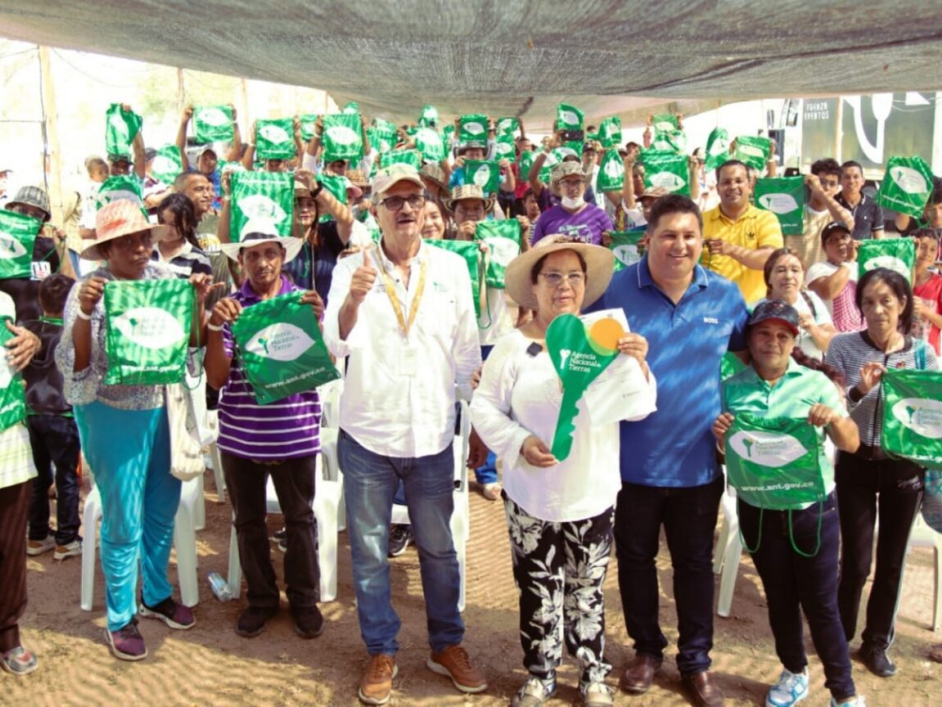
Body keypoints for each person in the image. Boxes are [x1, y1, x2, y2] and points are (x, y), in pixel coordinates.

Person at [323, 164, 485, 705]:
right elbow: (333, 346)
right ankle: (381, 649)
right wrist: (352, 301)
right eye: (393, 201)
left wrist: (478, 414)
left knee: (439, 550)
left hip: (433, 432)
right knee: (369, 552)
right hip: (369, 432)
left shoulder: (454, 268)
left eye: (414, 198)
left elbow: (466, 350)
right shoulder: (353, 268)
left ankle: (446, 644)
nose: (406, 208)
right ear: (375, 211)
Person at [471, 237, 655, 707]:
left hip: (591, 490)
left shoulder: (606, 339)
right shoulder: (512, 348)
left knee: (588, 588)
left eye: (574, 276)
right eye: (552, 276)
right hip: (531, 493)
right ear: (534, 286)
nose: (564, 285)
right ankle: (540, 672)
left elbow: (639, 409)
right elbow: (485, 408)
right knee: (537, 586)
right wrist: (519, 442)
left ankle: (593, 671)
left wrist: (638, 365)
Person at [593, 194, 749, 707]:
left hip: (699, 464)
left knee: (694, 564)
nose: (679, 245)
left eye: (689, 236)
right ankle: (646, 649)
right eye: (668, 235)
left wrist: (741, 425)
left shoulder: (725, 297)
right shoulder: (613, 291)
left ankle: (696, 660)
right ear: (648, 239)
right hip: (631, 463)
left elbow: (748, 365)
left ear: (701, 240)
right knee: (635, 560)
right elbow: (575, 351)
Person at [56, 200, 214, 661]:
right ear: (106, 248)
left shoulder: (166, 281)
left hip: (162, 406)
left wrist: (198, 304)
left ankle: (156, 591)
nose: (139, 248)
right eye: (126, 241)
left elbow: (190, 345)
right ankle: (121, 614)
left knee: (163, 505)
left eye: (144, 238)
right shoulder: (88, 289)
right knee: (123, 516)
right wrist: (86, 314)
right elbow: (77, 364)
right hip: (111, 411)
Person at [713, 300, 864, 707]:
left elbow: (851, 443)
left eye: (782, 335)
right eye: (763, 333)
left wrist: (832, 419)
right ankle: (793, 671)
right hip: (759, 512)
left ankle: (843, 692)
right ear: (751, 338)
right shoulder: (731, 389)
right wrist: (721, 436)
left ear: (794, 340)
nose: (772, 342)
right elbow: (729, 455)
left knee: (821, 605)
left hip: (811, 513)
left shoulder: (815, 384)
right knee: (778, 599)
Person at [204, 220, 325, 640]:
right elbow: (217, 380)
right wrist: (214, 328)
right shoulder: (232, 308)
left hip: (295, 432)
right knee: (248, 521)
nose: (262, 262)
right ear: (240, 262)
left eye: (269, 253)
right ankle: (261, 598)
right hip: (241, 435)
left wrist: (318, 325)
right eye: (252, 255)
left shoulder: (302, 303)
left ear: (283, 256)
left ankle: (304, 599)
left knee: (300, 519)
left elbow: (318, 366)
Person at [824, 268, 939, 678]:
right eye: (868, 302)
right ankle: (839, 636)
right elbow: (828, 411)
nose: (876, 311)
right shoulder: (841, 347)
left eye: (886, 301)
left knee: (892, 561)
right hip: (855, 463)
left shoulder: (923, 355)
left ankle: (876, 643)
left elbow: (933, 413)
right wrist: (859, 391)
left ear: (903, 304)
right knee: (854, 560)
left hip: (902, 470)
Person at [23, 273, 82, 561]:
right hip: (62, 413)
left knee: (38, 476)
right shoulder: (72, 335)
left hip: (30, 413)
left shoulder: (26, 330)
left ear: (40, 300)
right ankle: (67, 538)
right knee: (67, 477)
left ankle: (36, 536)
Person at [0, 290, 42, 676]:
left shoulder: (5, 303)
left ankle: (8, 633)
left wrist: (32, 340)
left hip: (8, 447)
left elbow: (37, 330)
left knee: (10, 546)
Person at [703, 159, 784, 303]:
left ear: (750, 186)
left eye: (739, 181)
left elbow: (770, 259)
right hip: (711, 310)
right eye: (726, 182)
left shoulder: (766, 219)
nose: (733, 187)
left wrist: (730, 249)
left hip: (754, 311)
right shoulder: (701, 221)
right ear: (717, 188)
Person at [1, 186, 72, 322]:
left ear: (44, 221)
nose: (28, 218)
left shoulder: (49, 247)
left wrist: (62, 249)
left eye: (36, 215)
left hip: (39, 333)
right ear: (11, 211)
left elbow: (71, 290)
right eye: (22, 211)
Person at [756, 247, 836, 360]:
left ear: (803, 275)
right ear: (769, 277)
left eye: (795, 270)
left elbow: (832, 346)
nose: (788, 276)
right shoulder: (757, 309)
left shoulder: (811, 300)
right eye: (781, 270)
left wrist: (813, 329)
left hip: (812, 375)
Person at [791, 159, 855, 270]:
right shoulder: (795, 213)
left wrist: (820, 192)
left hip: (826, 282)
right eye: (822, 182)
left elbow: (848, 224)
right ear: (811, 184)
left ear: (837, 188)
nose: (827, 188)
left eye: (832, 184)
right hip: (796, 283)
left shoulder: (838, 214)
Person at [530, 162, 613, 246]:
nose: (573, 188)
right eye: (567, 182)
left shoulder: (600, 215)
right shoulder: (546, 218)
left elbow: (612, 249)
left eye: (578, 182)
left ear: (585, 185)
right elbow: (535, 252)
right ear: (559, 186)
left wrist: (609, 243)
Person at [806, 222, 866, 333]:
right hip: (834, 338)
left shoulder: (862, 268)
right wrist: (849, 261)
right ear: (824, 248)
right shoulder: (817, 269)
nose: (840, 242)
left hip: (863, 336)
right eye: (833, 240)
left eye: (844, 237)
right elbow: (828, 292)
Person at [152, 193, 212, 280]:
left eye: (174, 224)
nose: (167, 228)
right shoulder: (145, 250)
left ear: (187, 225)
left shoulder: (199, 259)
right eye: (162, 222)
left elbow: (201, 290)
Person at [912, 228, 942, 354]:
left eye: (932, 249)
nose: (927, 253)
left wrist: (925, 311)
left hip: (928, 354)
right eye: (922, 247)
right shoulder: (899, 277)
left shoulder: (939, 283)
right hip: (899, 352)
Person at [836, 161, 883, 241]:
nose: (851, 181)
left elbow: (879, 240)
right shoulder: (833, 203)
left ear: (863, 181)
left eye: (856, 177)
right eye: (847, 177)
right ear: (840, 180)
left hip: (863, 252)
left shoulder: (873, 205)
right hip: (838, 252)